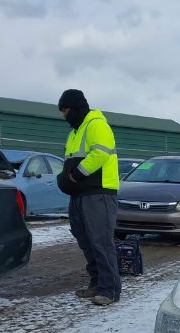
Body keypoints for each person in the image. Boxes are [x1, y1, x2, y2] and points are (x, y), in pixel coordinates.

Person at [56, 89, 121, 306]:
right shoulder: (75, 132)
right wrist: (64, 178)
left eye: (65, 110)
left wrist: (76, 174)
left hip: (99, 193)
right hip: (79, 195)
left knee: (100, 242)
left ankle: (109, 289)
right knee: (85, 241)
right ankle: (96, 283)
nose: (64, 115)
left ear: (75, 108)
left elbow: (100, 153)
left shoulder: (96, 125)